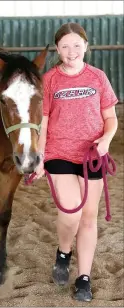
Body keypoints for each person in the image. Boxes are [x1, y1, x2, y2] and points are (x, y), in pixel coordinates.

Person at [35, 22, 118, 302]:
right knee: (70, 212)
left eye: (76, 45)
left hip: (91, 155)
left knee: (89, 218)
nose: (71, 51)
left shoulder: (97, 77)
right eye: (65, 46)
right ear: (58, 49)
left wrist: (106, 140)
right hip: (58, 153)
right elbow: (43, 121)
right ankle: (63, 251)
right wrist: (39, 156)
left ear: (86, 45)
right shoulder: (50, 80)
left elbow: (111, 118)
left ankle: (83, 277)